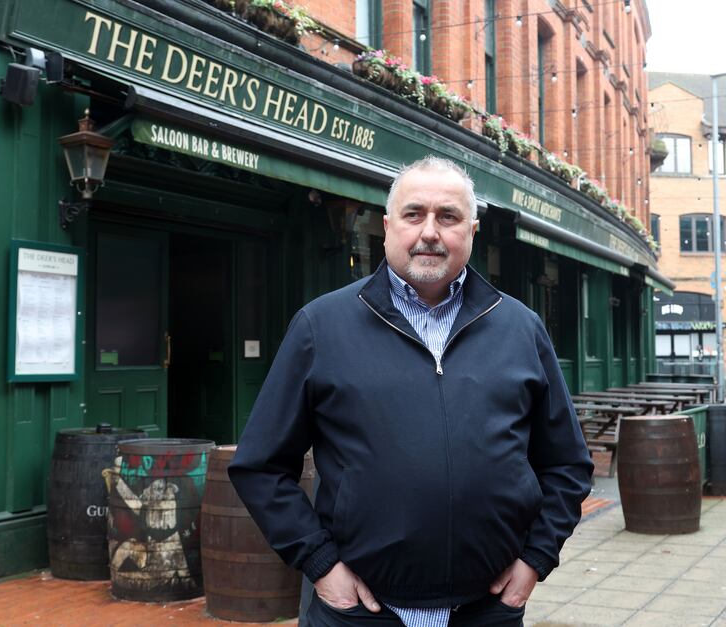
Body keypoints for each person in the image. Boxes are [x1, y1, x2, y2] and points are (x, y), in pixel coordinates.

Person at [229, 156, 593, 626]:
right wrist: (320, 565)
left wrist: (535, 561)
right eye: (414, 214)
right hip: (360, 612)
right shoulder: (321, 326)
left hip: (486, 610)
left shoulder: (521, 328)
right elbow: (260, 465)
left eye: (448, 217)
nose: (429, 232)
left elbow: (567, 463)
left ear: (472, 230)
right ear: (387, 226)